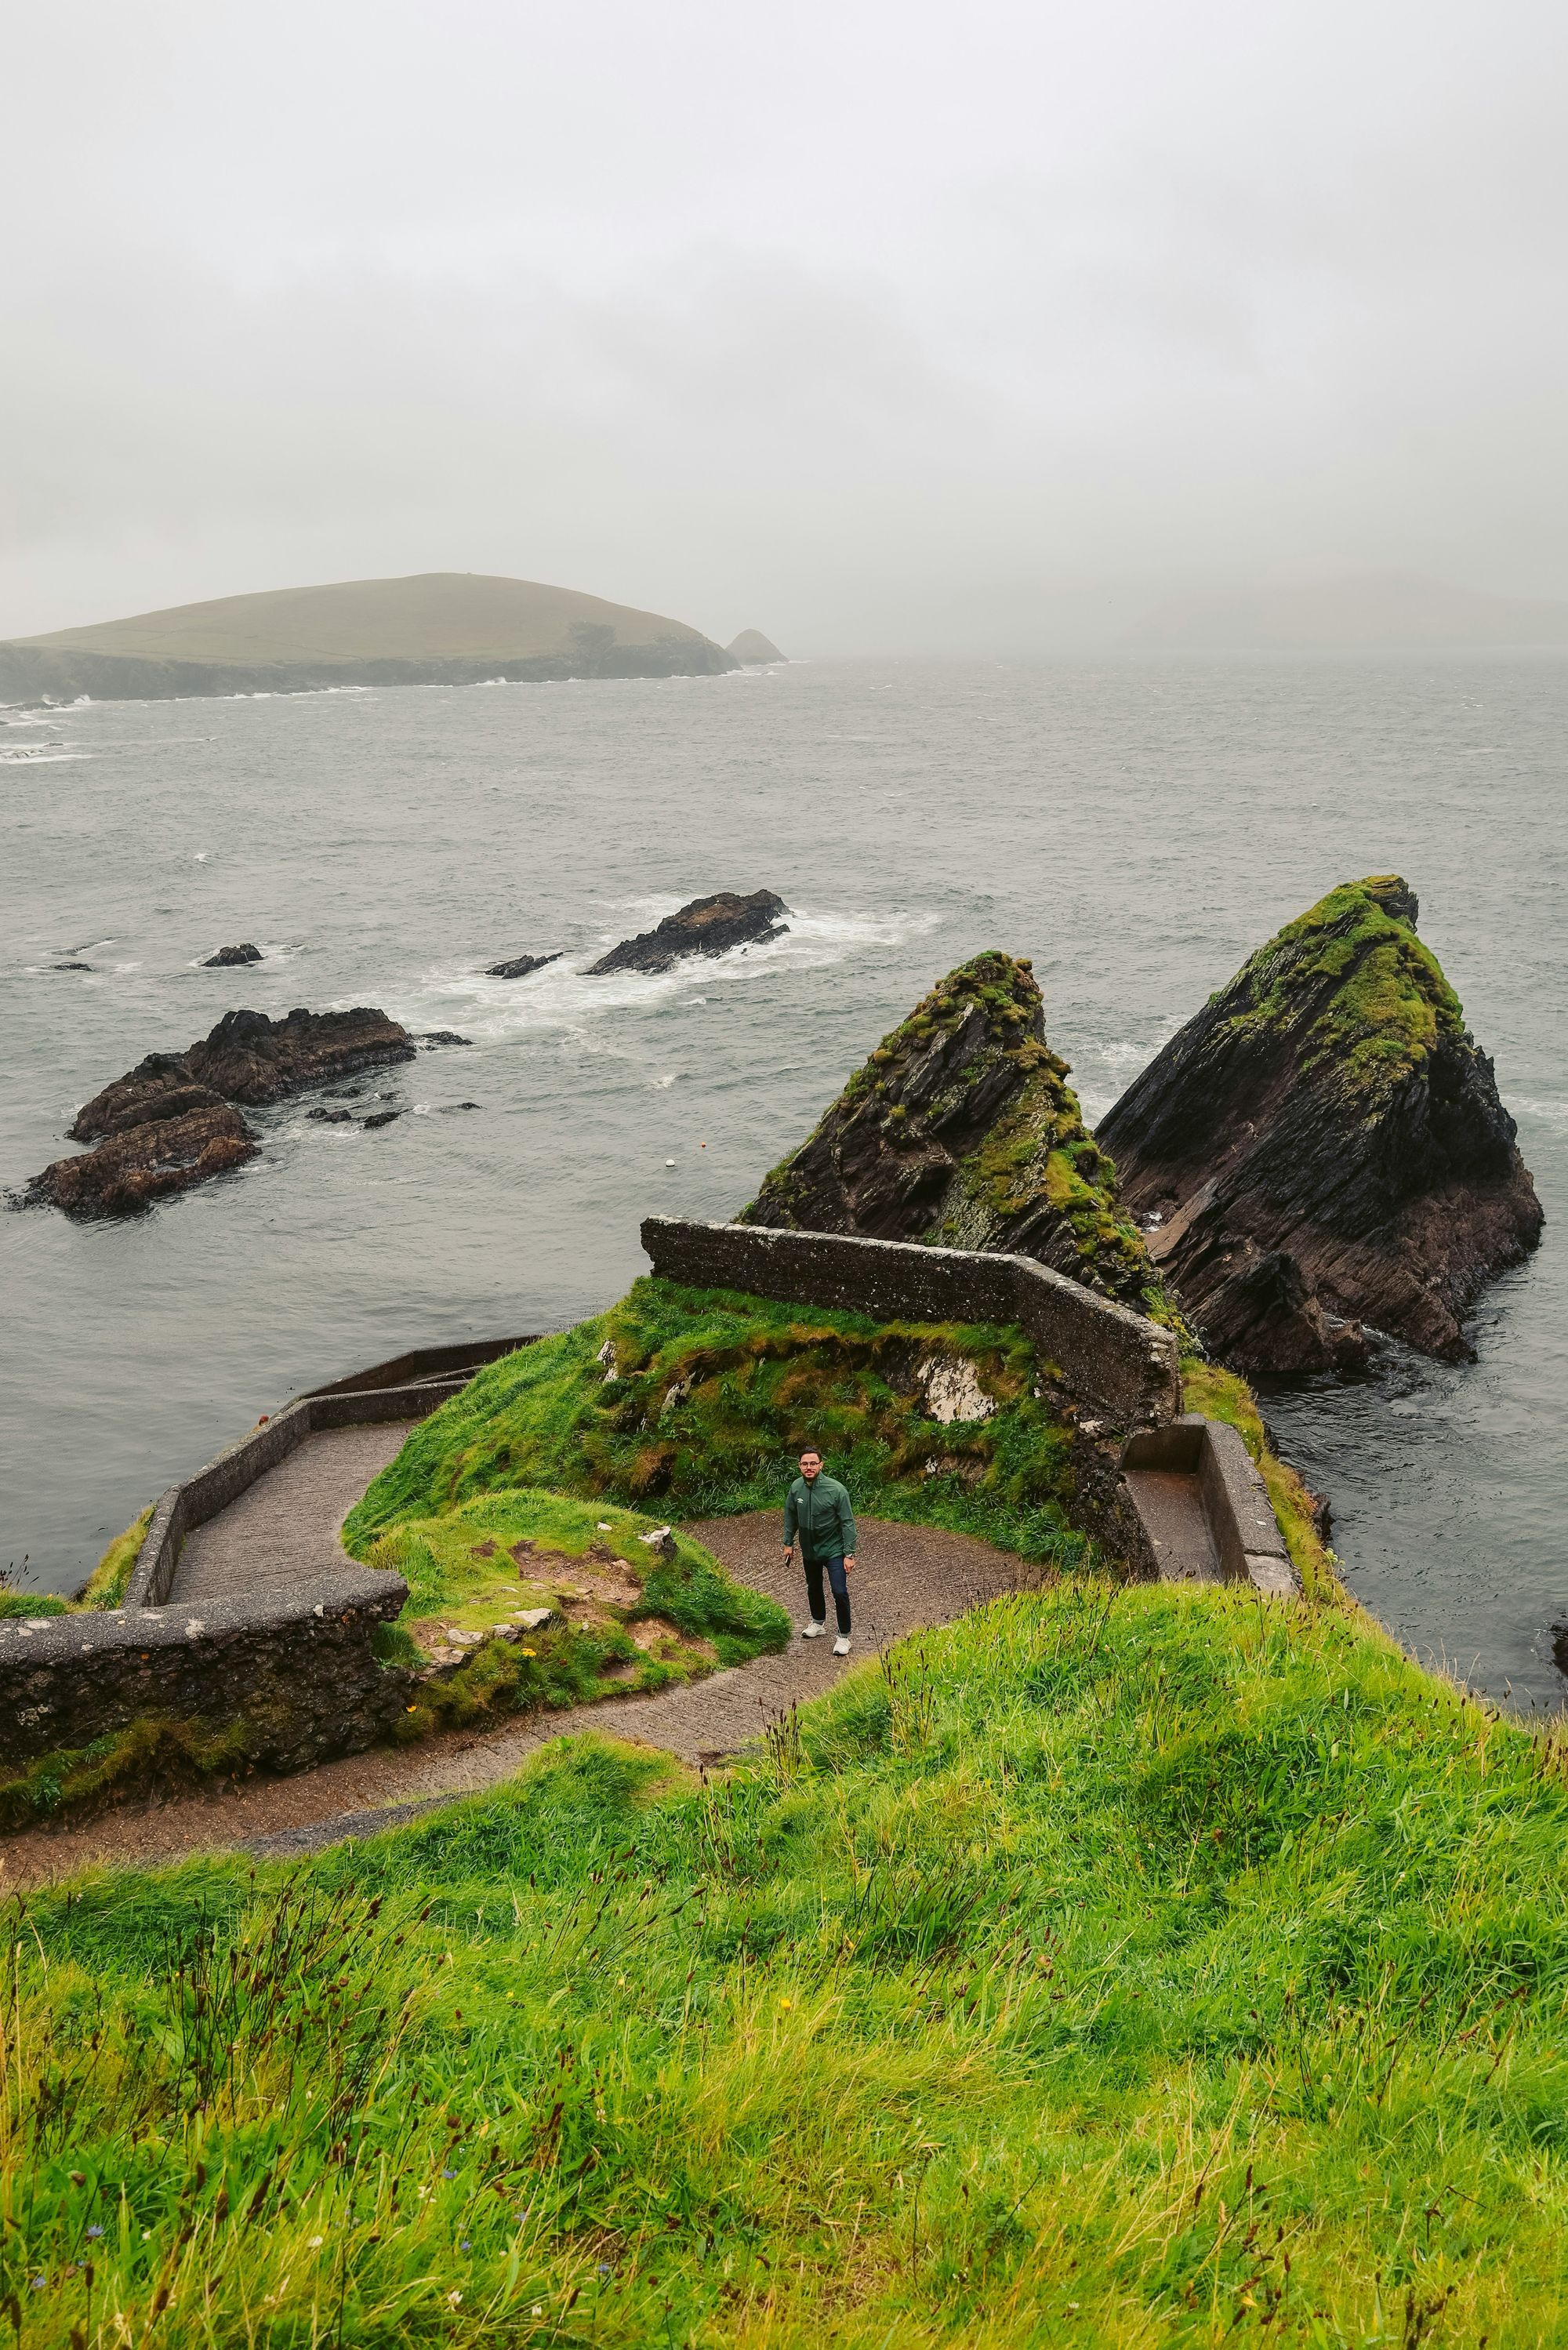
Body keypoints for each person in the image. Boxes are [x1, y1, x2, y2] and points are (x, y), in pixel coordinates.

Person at [782, 1444, 857, 1656]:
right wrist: (788, 1543)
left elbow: (848, 1523)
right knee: (813, 1587)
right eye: (805, 1463)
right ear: (799, 1466)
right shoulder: (796, 1488)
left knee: (839, 1591)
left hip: (834, 1550)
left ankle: (844, 1637)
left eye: (813, 1463)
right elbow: (790, 1516)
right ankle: (818, 1623)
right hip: (810, 1550)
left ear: (821, 1465)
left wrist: (849, 1553)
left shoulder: (837, 1490)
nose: (809, 1467)